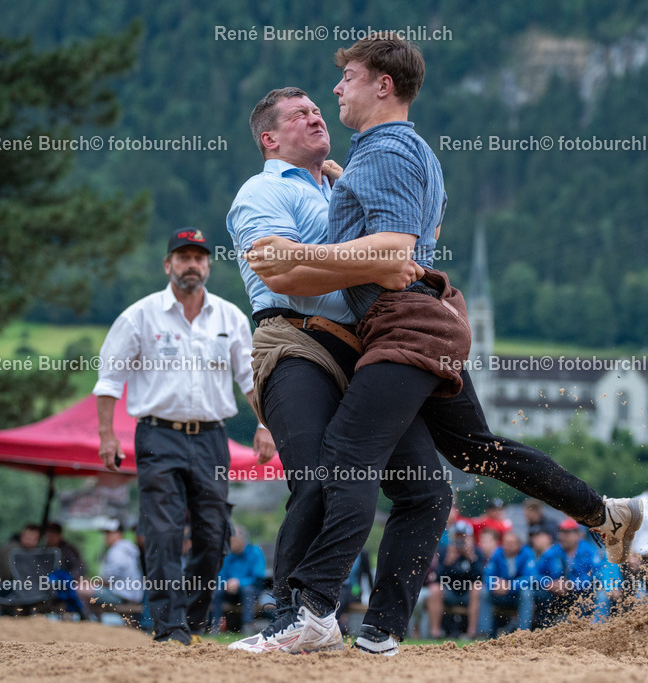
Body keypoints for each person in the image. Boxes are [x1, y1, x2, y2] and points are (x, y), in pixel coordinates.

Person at [247, 33, 642, 654]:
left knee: (349, 454)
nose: (335, 89)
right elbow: (411, 231)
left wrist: (295, 253)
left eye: (346, 76)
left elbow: (396, 251)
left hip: (404, 325)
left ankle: (315, 609)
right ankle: (604, 513)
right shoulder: (401, 155)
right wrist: (342, 187)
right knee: (475, 451)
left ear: (382, 85)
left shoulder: (385, 148)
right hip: (425, 322)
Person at [224, 84, 451, 657]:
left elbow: (404, 239)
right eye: (300, 115)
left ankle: (380, 631)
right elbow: (284, 276)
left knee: (427, 490)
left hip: (368, 348)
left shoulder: (343, 184)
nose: (316, 116)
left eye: (318, 111)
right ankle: (291, 620)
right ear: (269, 138)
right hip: (296, 340)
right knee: (320, 476)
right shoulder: (260, 190)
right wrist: (376, 260)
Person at [93, 228, 275, 646]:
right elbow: (108, 380)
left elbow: (249, 380)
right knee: (163, 531)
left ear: (208, 265)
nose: (191, 265)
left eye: (198, 258)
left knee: (213, 535)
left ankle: (189, 621)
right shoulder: (140, 315)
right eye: (183, 257)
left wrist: (265, 426)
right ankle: (168, 626)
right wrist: (107, 436)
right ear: (168, 265)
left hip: (212, 438)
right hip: (158, 437)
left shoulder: (229, 317)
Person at [533, 519, 602, 628]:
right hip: (556, 593)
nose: (563, 536)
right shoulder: (552, 552)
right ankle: (545, 631)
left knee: (587, 596)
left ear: (577, 535)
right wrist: (549, 583)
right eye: (561, 532)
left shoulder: (589, 551)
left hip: (580, 592)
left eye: (567, 533)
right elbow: (535, 574)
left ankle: (580, 630)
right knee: (540, 595)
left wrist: (571, 584)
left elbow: (597, 575)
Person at [210, 524, 266, 634]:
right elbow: (220, 575)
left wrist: (239, 582)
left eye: (231, 541)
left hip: (251, 590)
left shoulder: (255, 552)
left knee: (247, 590)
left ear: (241, 540)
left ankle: (247, 625)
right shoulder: (228, 554)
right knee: (217, 591)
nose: (229, 544)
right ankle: (215, 626)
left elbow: (258, 576)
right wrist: (226, 583)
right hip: (230, 591)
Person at [480, 531, 535, 636]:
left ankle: (523, 633)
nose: (508, 546)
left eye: (511, 544)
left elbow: (531, 577)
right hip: (499, 593)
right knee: (484, 592)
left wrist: (511, 585)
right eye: (506, 543)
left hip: (517, 593)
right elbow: (487, 576)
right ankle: (484, 632)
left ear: (519, 545)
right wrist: (494, 584)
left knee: (527, 593)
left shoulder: (527, 553)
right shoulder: (497, 553)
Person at [436, 521, 483, 639]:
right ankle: (435, 632)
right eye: (457, 536)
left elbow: (481, 577)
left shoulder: (477, 552)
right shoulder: (444, 551)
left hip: (469, 593)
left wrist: (471, 558)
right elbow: (437, 578)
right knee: (434, 590)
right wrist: (448, 562)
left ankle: (471, 632)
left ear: (469, 537)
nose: (460, 540)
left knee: (476, 588)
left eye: (463, 537)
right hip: (449, 591)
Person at [81, 520, 144, 608]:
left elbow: (108, 579)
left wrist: (91, 582)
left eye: (110, 533)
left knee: (80, 589)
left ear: (119, 534)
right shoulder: (129, 547)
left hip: (121, 596)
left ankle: (88, 619)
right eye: (106, 533)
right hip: (133, 595)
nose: (106, 536)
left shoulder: (117, 550)